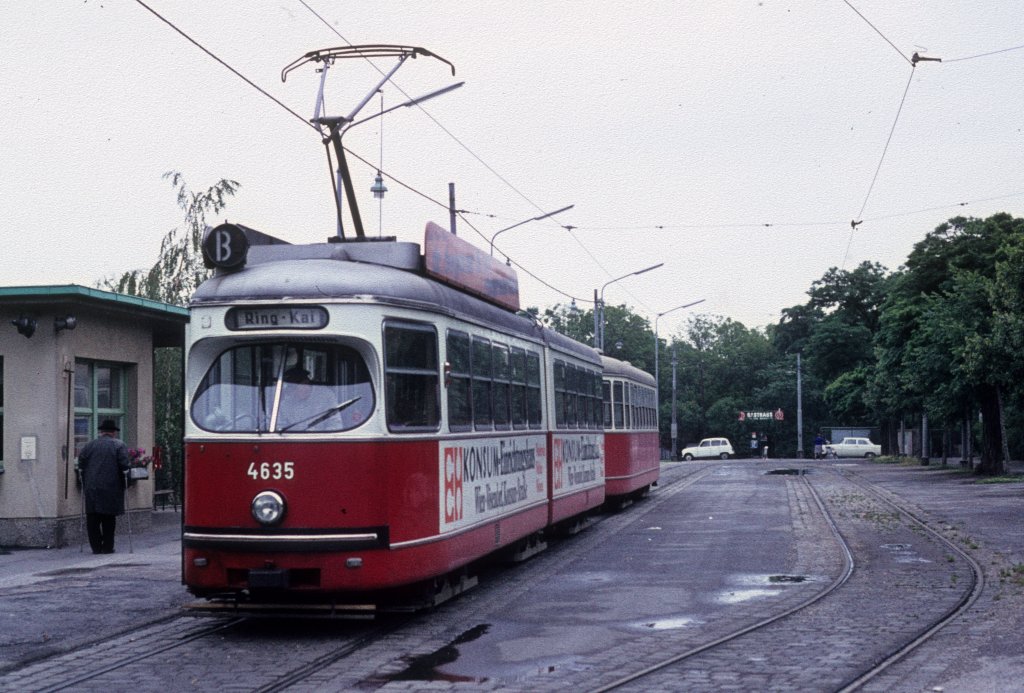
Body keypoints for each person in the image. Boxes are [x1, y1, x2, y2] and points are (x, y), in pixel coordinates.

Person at [77, 419, 130, 554]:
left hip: (91, 487)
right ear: (113, 432)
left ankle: (96, 547)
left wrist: (84, 478)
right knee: (108, 518)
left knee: (92, 518)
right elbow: (124, 465)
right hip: (111, 487)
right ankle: (107, 547)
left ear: (101, 432)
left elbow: (81, 463)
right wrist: (126, 481)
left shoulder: (90, 445)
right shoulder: (119, 445)